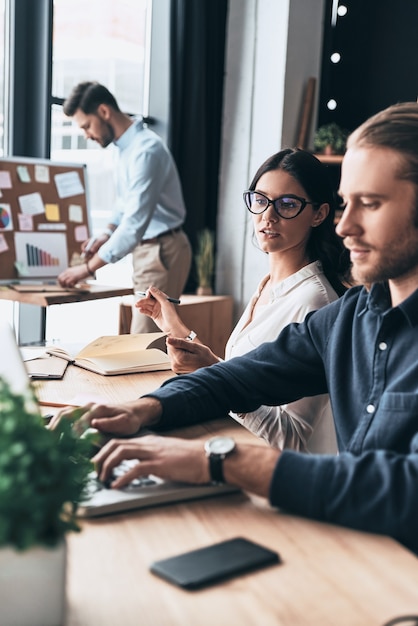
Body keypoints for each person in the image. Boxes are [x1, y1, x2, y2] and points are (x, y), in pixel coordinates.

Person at [52, 101, 418, 555]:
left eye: (372, 204)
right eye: (347, 203)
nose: (345, 226)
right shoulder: (351, 316)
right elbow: (239, 376)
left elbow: (405, 489)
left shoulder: (323, 300)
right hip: (358, 550)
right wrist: (142, 411)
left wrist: (220, 459)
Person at [135, 148, 350, 452]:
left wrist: (216, 377)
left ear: (319, 214)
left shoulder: (314, 302)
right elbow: (240, 372)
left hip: (279, 481)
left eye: (287, 204)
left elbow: (291, 438)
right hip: (237, 450)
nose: (268, 216)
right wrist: (176, 329)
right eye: (260, 200)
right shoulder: (268, 285)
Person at [57, 81, 192, 333]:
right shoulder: (124, 149)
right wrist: (106, 233)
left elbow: (133, 225)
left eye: (86, 126)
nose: (86, 135)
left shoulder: (146, 151)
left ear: (104, 112)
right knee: (142, 341)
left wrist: (86, 269)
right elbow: (125, 202)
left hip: (161, 250)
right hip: (149, 250)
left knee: (145, 343)